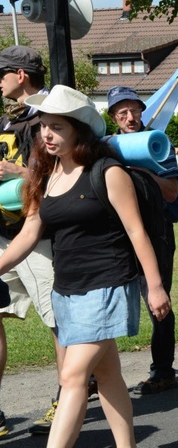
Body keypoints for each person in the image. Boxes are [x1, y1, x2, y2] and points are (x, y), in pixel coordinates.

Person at [0, 84, 170, 446]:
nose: (47, 133)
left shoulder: (108, 172)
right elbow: (29, 235)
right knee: (108, 376)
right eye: (44, 125)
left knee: (73, 377)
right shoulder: (46, 177)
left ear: (78, 130)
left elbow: (137, 232)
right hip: (67, 291)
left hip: (107, 284)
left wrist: (154, 287)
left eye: (57, 126)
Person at [0, 46, 64, 436]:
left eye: (1, 73)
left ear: (20, 74)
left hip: (38, 236)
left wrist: (14, 170)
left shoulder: (48, 119)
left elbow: (62, 176)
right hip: (4, 233)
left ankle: (66, 398)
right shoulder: (11, 120)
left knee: (60, 322)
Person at [106, 86, 178, 395]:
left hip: (156, 234)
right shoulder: (105, 146)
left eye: (135, 110)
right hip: (114, 238)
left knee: (158, 302)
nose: (130, 117)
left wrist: (144, 173)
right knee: (104, 303)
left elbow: (173, 192)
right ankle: (99, 375)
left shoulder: (159, 144)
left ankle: (163, 371)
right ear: (112, 117)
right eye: (122, 112)